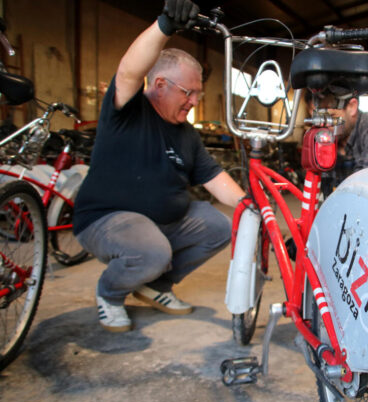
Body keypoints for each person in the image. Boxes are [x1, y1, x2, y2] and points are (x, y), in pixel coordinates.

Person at [73, 0, 245, 332]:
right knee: (152, 250)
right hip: (105, 221)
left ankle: (155, 286)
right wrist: (164, 25)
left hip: (159, 224)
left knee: (218, 226)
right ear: (160, 85)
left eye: (198, 93)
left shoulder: (187, 134)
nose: (195, 101)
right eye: (189, 92)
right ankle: (110, 294)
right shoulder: (128, 110)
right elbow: (128, 71)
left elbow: (215, 178)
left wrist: (254, 209)